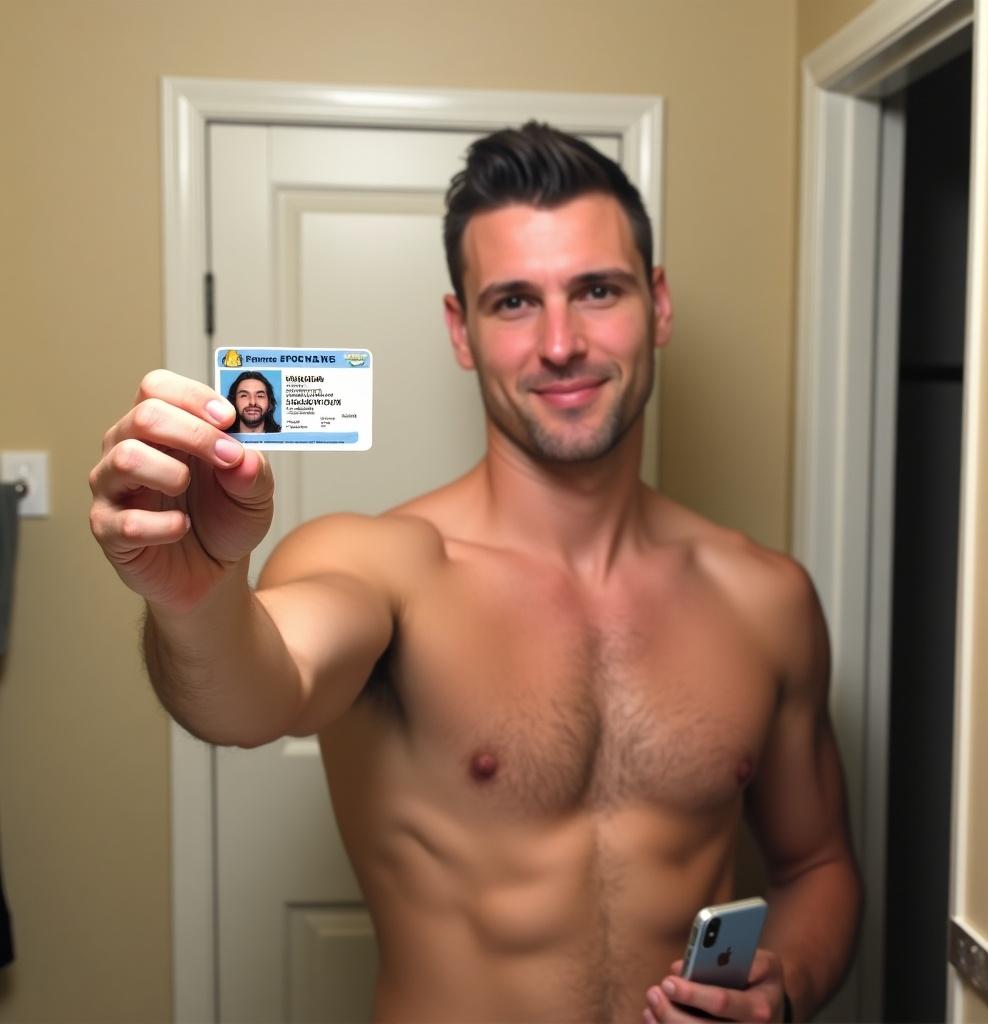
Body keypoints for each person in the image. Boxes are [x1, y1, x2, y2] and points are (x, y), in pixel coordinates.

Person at [88, 122, 861, 1023]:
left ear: (658, 304)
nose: (561, 343)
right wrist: (197, 599)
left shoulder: (766, 598)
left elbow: (820, 867)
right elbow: (248, 696)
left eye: (598, 290)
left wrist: (789, 984)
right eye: (514, 302)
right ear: (462, 329)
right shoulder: (383, 568)